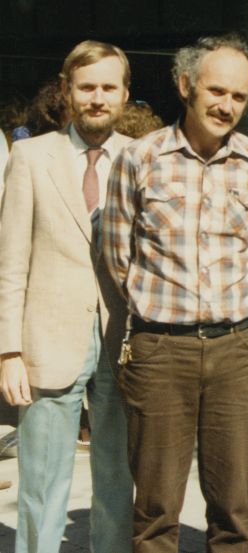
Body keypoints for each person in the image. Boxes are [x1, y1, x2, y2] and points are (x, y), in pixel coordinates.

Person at [103, 34, 248, 552]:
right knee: (156, 513)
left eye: (238, 96)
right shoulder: (139, 160)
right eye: (216, 91)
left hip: (236, 351)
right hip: (160, 352)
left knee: (233, 512)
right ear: (186, 85)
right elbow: (119, 257)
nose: (227, 105)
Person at [0, 40, 134, 553]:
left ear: (125, 94)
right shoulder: (31, 159)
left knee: (118, 484)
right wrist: (9, 351)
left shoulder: (141, 159)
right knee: (41, 487)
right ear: (66, 91)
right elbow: (11, 263)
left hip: (124, 344)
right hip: (48, 343)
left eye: (108, 87)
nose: (97, 98)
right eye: (86, 87)